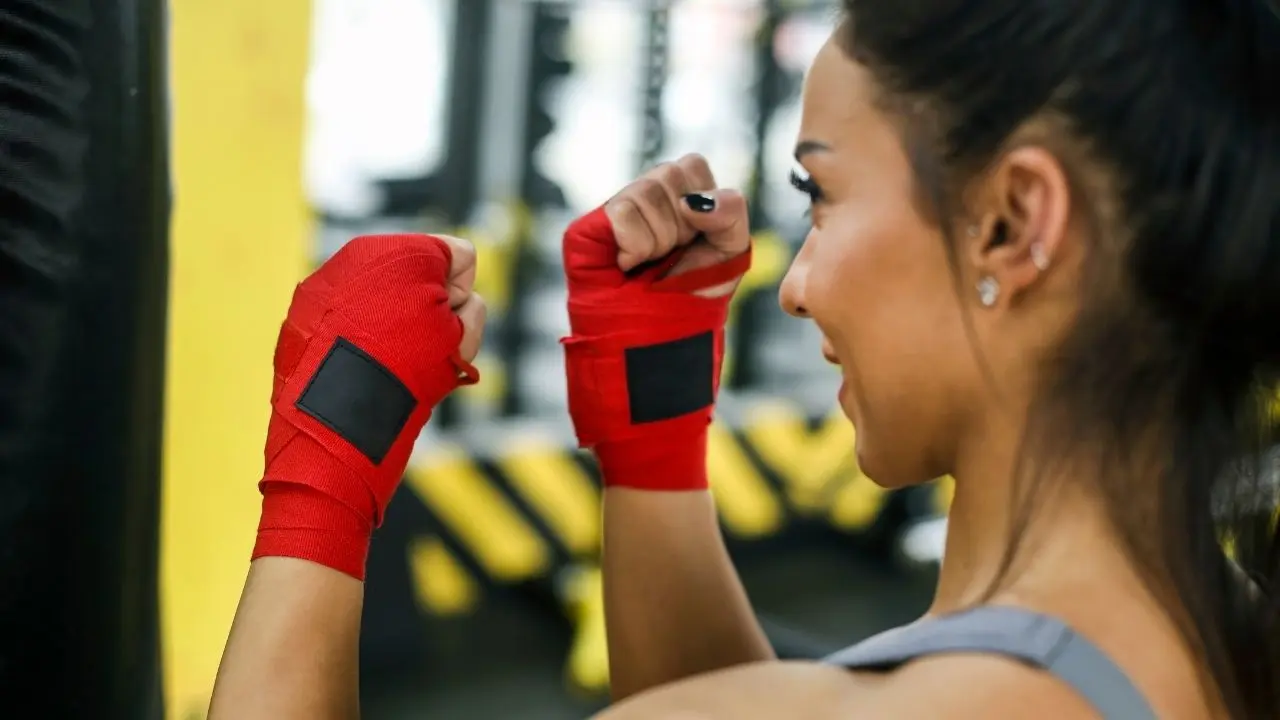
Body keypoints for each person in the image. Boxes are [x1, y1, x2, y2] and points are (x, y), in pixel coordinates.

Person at [209, 2, 1279, 718]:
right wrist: (652, 447)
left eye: (821, 197)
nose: (796, 280)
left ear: (1010, 223)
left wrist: (322, 474)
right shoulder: (1220, 632)